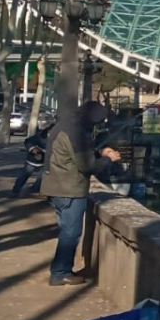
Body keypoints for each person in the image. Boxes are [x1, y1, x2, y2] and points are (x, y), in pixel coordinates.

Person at [42, 102, 121, 286]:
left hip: (56, 186)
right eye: (98, 122)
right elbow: (87, 166)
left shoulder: (66, 124)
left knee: (66, 230)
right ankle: (60, 273)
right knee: (71, 232)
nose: (97, 126)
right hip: (68, 189)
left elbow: (75, 154)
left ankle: (61, 269)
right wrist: (109, 159)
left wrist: (100, 151)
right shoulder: (77, 132)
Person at [9, 124, 51, 199]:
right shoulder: (39, 136)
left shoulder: (58, 139)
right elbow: (28, 141)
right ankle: (15, 191)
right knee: (24, 175)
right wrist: (32, 149)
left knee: (42, 177)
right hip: (33, 160)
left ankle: (34, 190)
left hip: (46, 161)